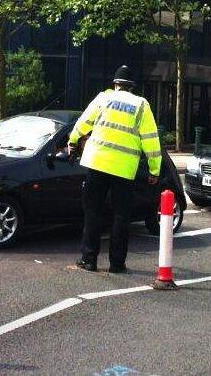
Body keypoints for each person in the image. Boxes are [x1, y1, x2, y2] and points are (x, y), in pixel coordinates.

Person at [68, 66, 162, 273]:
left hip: (97, 163)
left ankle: (89, 259)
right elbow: (151, 140)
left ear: (116, 83)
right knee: (121, 216)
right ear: (132, 87)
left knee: (93, 212)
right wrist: (155, 170)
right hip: (124, 170)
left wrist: (73, 141)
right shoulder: (141, 105)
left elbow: (84, 122)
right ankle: (117, 264)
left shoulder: (103, 98)